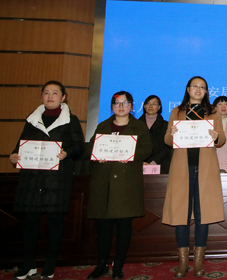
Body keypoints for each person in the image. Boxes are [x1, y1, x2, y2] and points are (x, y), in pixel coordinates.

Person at [9, 81, 84, 280]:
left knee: (55, 221)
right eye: (46, 93)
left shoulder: (71, 120)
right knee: (30, 222)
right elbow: (21, 145)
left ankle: (50, 263)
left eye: (55, 93)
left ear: (63, 97)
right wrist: (14, 155)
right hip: (32, 179)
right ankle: (28, 264)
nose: (50, 97)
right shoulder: (32, 119)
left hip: (56, 179)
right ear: (41, 96)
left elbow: (79, 147)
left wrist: (67, 152)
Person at [162, 76, 226, 278]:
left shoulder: (213, 111)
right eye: (195, 86)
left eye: (202, 87)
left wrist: (216, 136)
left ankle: (198, 261)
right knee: (180, 213)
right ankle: (182, 262)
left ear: (206, 91)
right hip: (182, 168)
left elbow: (222, 139)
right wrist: (172, 133)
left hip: (205, 168)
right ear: (188, 89)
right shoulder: (177, 111)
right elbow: (167, 140)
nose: (198, 90)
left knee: (202, 214)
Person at [86, 91, 153, 279]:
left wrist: (131, 155)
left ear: (132, 106)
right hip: (103, 182)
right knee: (103, 227)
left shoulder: (139, 127)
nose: (121, 106)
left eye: (125, 103)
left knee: (124, 226)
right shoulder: (103, 125)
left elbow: (147, 149)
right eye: (117, 103)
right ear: (112, 106)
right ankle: (101, 264)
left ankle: (118, 264)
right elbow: (91, 146)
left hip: (126, 183)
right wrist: (97, 155)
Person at [139, 95, 171, 174]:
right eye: (148, 103)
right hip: (139, 164)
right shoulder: (136, 125)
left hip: (161, 164)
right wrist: (141, 162)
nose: (150, 106)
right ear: (144, 106)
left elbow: (167, 147)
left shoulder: (166, 125)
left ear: (159, 107)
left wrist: (154, 162)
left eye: (154, 104)